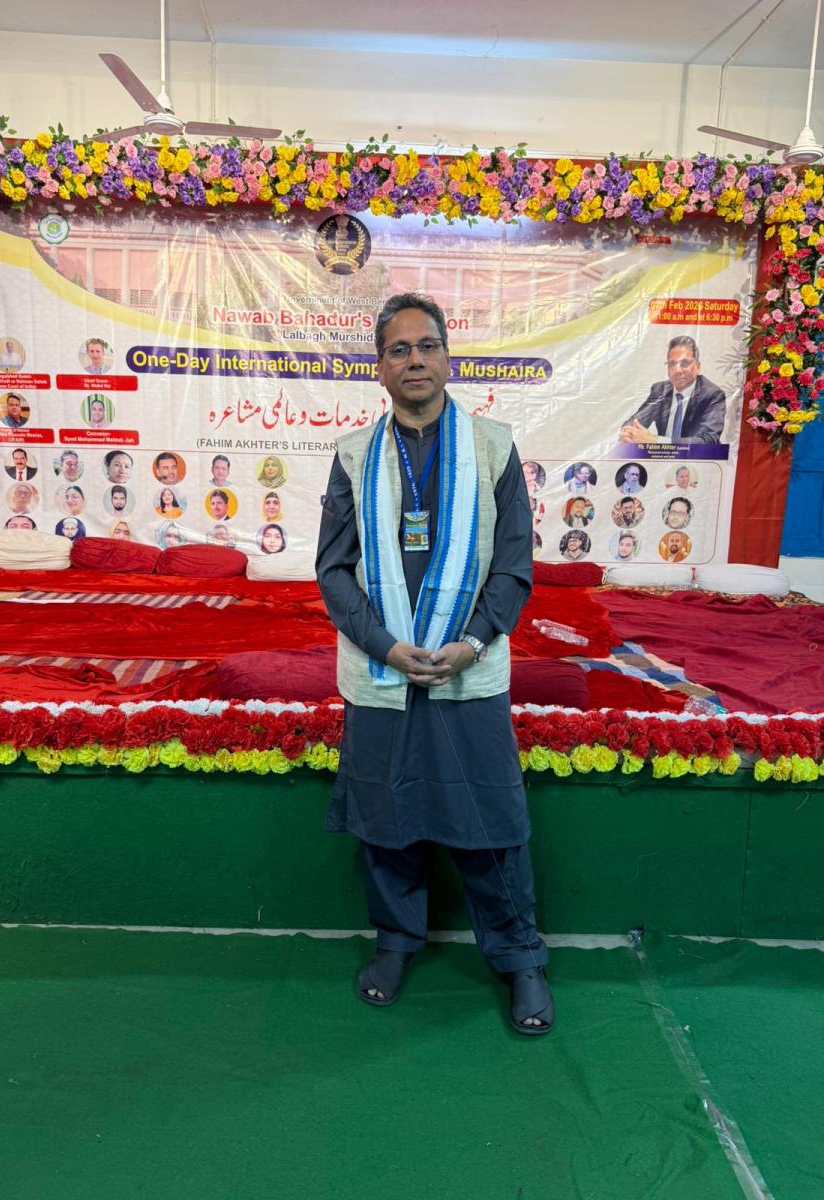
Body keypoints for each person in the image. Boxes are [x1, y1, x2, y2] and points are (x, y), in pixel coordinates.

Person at [316, 292, 551, 1036]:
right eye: (399, 349)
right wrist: (385, 645)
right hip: (382, 670)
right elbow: (333, 571)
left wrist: (473, 641)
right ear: (379, 367)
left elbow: (513, 566)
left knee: (491, 818)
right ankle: (395, 942)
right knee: (386, 816)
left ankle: (519, 958)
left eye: (427, 346)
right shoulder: (354, 455)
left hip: (468, 669)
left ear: (448, 358)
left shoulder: (493, 448)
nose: (414, 360)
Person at [620, 336, 726, 444]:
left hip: (696, 455)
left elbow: (708, 440)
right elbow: (635, 422)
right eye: (672, 364)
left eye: (684, 363)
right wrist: (629, 432)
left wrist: (655, 440)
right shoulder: (660, 390)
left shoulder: (712, 395)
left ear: (697, 367)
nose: (678, 370)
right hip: (662, 454)